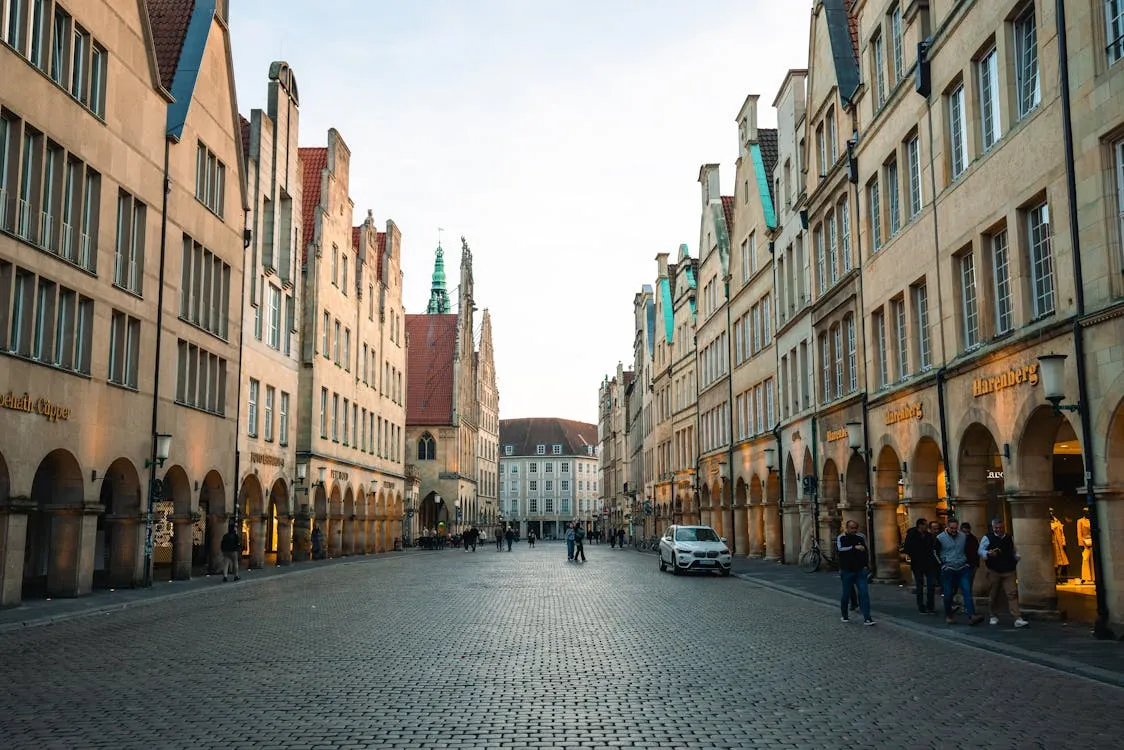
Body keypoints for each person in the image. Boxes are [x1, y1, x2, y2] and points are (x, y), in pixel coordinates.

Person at [979, 518, 1029, 628]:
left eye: (1000, 528)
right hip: (994, 570)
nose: (998, 530)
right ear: (993, 528)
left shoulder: (1009, 537)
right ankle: (993, 614)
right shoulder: (987, 538)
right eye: (996, 528)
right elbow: (980, 551)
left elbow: (1014, 550)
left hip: (1008, 570)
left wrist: (1016, 557)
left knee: (1012, 593)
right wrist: (988, 553)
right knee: (994, 594)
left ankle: (1017, 617)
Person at [933, 519, 984, 625]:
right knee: (947, 593)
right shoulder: (940, 538)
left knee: (967, 591)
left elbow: (969, 549)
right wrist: (942, 565)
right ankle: (949, 615)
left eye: (956, 528)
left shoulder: (963, 536)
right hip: (948, 568)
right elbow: (935, 552)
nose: (954, 530)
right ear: (947, 527)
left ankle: (971, 616)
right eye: (952, 528)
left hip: (962, 567)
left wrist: (968, 563)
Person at [836, 520, 874, 625]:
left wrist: (866, 565)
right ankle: (844, 615)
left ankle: (867, 617)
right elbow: (840, 549)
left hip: (860, 570)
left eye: (855, 528)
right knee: (846, 595)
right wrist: (854, 548)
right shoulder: (841, 537)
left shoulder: (860, 537)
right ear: (847, 528)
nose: (854, 530)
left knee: (864, 594)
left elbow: (865, 551)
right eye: (852, 528)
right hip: (847, 570)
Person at [902, 518, 938, 614]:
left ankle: (930, 606)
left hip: (929, 564)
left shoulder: (929, 536)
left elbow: (933, 547)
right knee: (919, 586)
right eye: (925, 525)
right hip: (917, 564)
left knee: (931, 585)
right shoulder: (912, 535)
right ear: (920, 525)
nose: (927, 527)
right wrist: (914, 555)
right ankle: (921, 606)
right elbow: (907, 548)